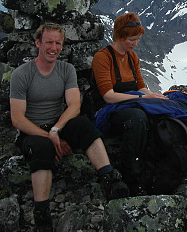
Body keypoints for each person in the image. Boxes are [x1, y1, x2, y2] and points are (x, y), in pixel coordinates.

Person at [91, 13, 187, 195]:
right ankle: (133, 176)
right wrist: (142, 99)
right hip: (110, 110)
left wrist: (153, 97)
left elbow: (140, 86)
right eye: (132, 39)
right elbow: (108, 96)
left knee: (178, 102)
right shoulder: (103, 57)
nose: (135, 44)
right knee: (137, 119)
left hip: (132, 102)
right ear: (120, 36)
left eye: (137, 39)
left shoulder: (132, 57)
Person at [10, 23, 127, 232]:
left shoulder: (66, 69)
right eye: (49, 42)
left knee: (83, 124)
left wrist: (56, 130)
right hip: (33, 130)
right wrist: (48, 136)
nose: (53, 48)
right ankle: (42, 212)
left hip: (58, 124)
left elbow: (74, 105)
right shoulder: (22, 74)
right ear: (38, 43)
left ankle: (109, 178)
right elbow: (18, 119)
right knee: (42, 148)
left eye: (58, 43)